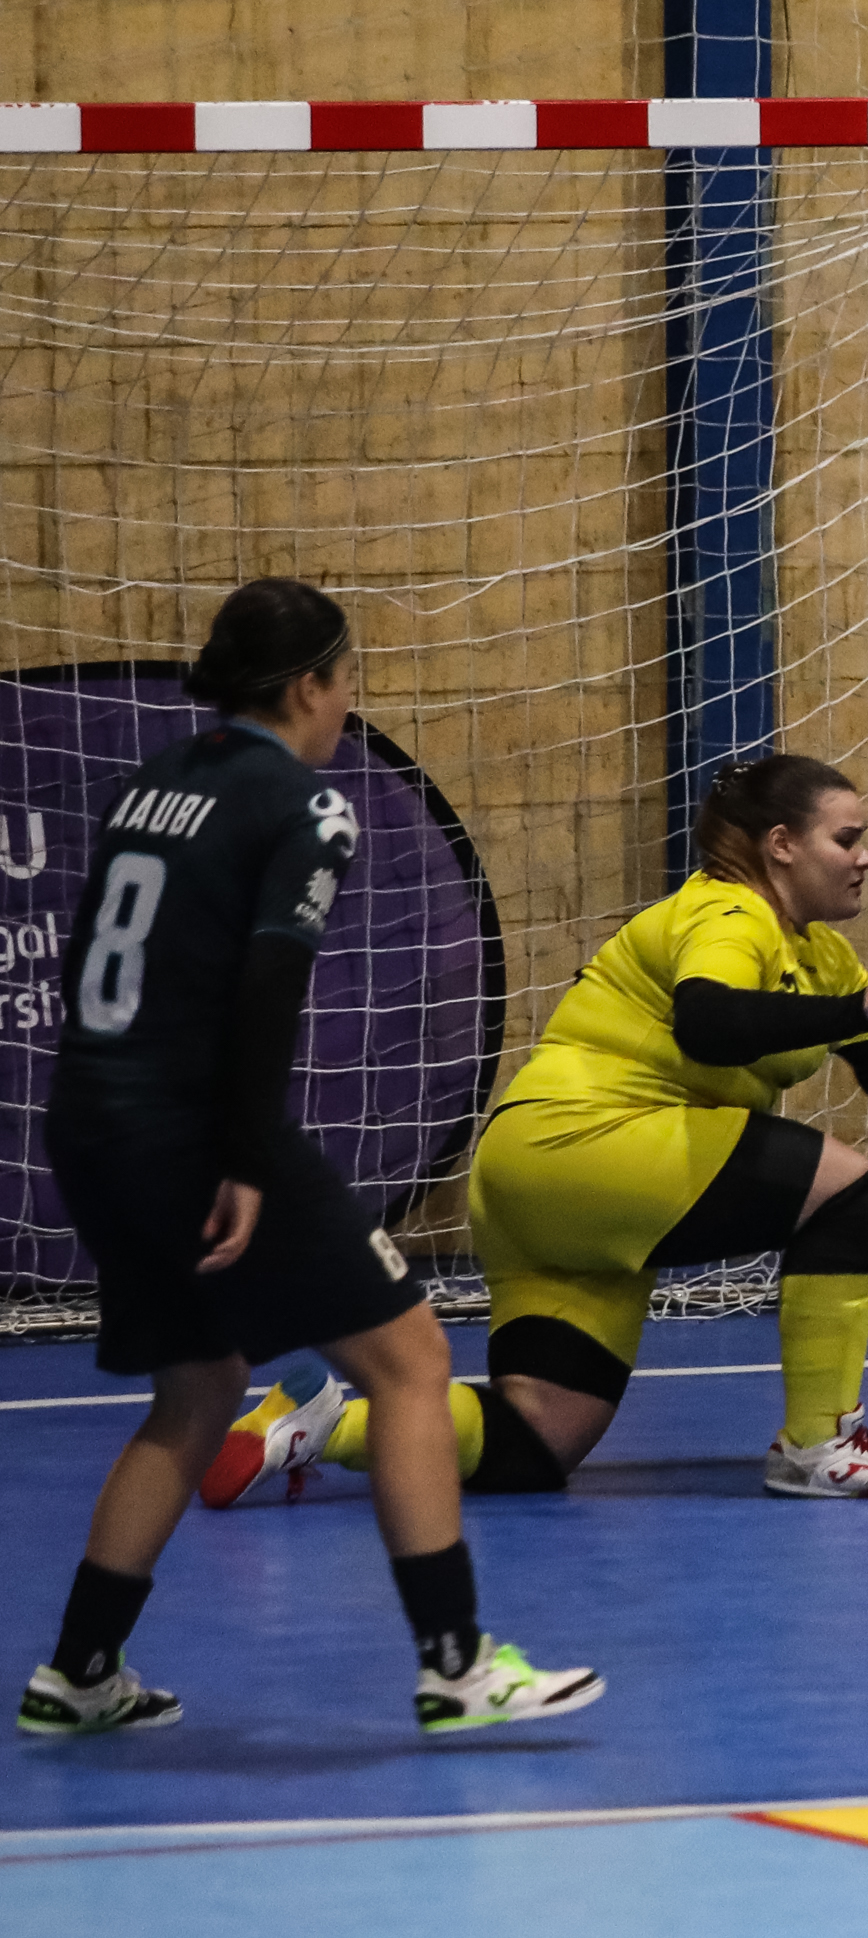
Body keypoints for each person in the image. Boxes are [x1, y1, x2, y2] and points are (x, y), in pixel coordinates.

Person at [206, 753, 868, 1507]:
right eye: (847, 839)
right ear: (780, 845)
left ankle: (322, 1423)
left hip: (536, 1185)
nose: (865, 858)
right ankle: (821, 1444)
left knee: (536, 1443)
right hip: (591, 1143)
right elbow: (710, 1023)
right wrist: (851, 1007)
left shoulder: (819, 956)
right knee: (851, 1191)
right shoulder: (730, 915)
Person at [20, 579, 599, 1737]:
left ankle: (79, 1671)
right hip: (197, 1130)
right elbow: (268, 986)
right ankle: (457, 1665)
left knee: (198, 1387)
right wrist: (240, 1153)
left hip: (91, 1120)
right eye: (348, 682)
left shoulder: (150, 787)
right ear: (308, 686)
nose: (348, 706)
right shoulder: (306, 806)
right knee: (411, 1359)